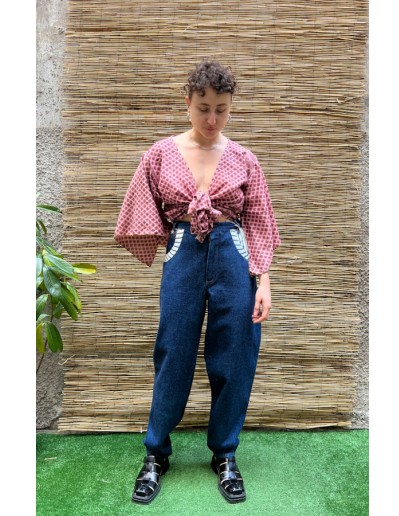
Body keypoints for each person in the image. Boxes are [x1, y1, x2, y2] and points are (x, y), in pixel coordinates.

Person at [114, 60, 281, 505]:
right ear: (187, 101)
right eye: (203, 108)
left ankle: (225, 454)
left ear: (231, 107)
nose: (212, 119)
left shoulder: (245, 159)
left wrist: (263, 281)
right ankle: (156, 454)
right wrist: (167, 237)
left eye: (221, 110)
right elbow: (141, 205)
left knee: (236, 354)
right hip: (184, 253)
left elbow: (259, 221)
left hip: (234, 255)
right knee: (173, 352)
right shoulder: (159, 154)